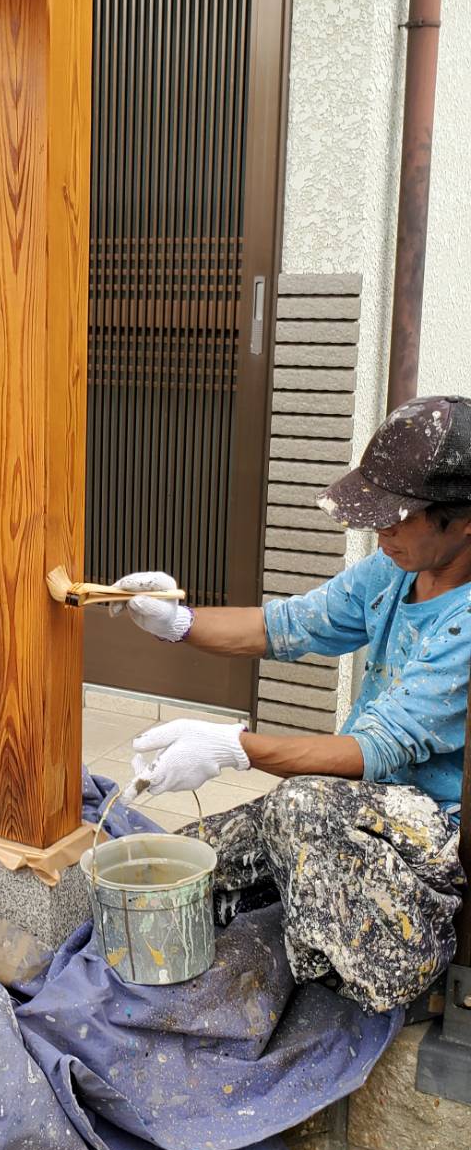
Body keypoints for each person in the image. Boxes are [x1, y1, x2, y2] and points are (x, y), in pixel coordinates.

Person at [113, 395, 471, 1012]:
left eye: (398, 517)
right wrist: (176, 622)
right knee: (192, 864)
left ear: (463, 520)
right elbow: (288, 625)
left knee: (301, 803)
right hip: (363, 807)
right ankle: (313, 927)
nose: (379, 531)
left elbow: (371, 749)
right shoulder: (395, 571)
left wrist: (232, 748)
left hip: (433, 839)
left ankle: (392, 968)